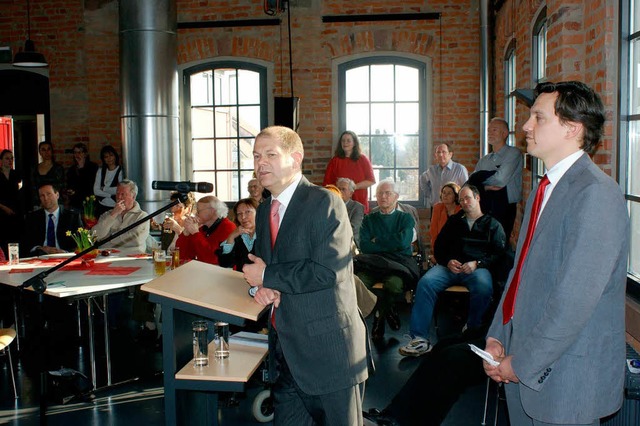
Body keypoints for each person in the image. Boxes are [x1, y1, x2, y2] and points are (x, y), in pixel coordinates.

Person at [484, 81, 630, 425]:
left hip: (565, 383)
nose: (525, 126)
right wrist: (497, 336)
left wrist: (519, 364)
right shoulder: (543, 189)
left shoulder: (597, 195)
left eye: (538, 117)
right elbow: (520, 277)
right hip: (523, 368)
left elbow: (573, 303)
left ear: (572, 128)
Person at [243, 126, 368, 425]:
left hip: (329, 351)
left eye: (271, 155)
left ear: (295, 159)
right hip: (286, 352)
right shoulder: (264, 210)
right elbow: (266, 270)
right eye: (257, 155)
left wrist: (268, 276)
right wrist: (263, 288)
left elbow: (328, 270)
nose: (261, 163)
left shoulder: (324, 202)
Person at [400, 184, 506, 357]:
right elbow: (439, 247)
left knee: (484, 286)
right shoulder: (454, 222)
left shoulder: (493, 225)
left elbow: (499, 253)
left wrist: (477, 263)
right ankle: (419, 339)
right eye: (461, 199)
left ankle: (472, 328)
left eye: (468, 198)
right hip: (449, 268)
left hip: (476, 269)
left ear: (477, 198)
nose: (464, 202)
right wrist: (447, 261)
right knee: (426, 282)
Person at [356, 179, 419, 339]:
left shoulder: (405, 218)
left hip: (398, 264)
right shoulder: (369, 219)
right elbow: (364, 246)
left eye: (387, 193)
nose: (383, 197)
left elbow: (404, 242)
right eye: (379, 193)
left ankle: (378, 317)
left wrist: (378, 240)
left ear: (396, 196)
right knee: (359, 282)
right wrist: (392, 241)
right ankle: (386, 309)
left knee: (393, 284)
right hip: (373, 264)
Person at [472, 118, 523, 239]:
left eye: (494, 130)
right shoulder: (484, 159)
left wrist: (482, 181)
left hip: (505, 208)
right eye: (489, 130)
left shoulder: (513, 153)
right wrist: (486, 186)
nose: (490, 133)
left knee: (500, 242)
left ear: (504, 133)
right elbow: (472, 182)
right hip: (484, 205)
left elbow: (500, 180)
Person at [22, 184, 83, 257]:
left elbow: (81, 242)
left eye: (49, 194)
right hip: (40, 257)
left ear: (57, 195)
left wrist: (65, 252)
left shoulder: (73, 217)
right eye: (42, 196)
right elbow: (25, 244)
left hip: (65, 257)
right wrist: (40, 248)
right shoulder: (32, 218)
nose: (46, 198)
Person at [323, 130, 375, 213]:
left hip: (360, 204)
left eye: (348, 140)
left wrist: (353, 187)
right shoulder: (335, 161)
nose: (345, 143)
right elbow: (327, 185)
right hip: (339, 205)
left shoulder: (363, 159)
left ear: (354, 143)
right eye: (343, 141)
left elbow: (371, 181)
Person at [175, 195, 236, 265]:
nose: (196, 214)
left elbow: (213, 260)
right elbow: (182, 255)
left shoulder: (228, 228)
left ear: (212, 211)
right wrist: (186, 233)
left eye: (198, 211)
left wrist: (195, 233)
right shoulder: (202, 228)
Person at [92, 180, 149, 252]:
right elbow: (95, 236)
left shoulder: (142, 216)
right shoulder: (107, 214)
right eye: (117, 193)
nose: (119, 197)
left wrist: (109, 237)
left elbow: (136, 239)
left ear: (133, 196)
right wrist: (113, 215)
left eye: (123, 194)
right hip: (105, 257)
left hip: (131, 258)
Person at [419, 143, 469, 209]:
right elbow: (422, 179)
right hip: (435, 208)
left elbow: (466, 188)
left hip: (454, 209)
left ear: (450, 154)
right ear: (435, 155)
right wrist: (429, 195)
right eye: (438, 152)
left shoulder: (460, 169)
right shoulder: (431, 170)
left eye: (444, 152)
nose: (440, 154)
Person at [216, 197, 258, 271]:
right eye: (239, 214)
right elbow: (225, 264)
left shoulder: (267, 235)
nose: (243, 217)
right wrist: (231, 237)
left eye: (248, 212)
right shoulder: (238, 237)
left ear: (258, 212)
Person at [428, 182, 461, 265]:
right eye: (443, 192)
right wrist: (435, 252)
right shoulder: (437, 207)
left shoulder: (461, 209)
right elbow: (433, 231)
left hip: (458, 248)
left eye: (449, 193)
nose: (445, 195)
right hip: (442, 247)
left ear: (456, 196)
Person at [0, 149, 23, 255]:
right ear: (1, 160)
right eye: (7, 158)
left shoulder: (16, 174)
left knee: (16, 239)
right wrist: (4, 208)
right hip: (2, 212)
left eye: (11, 158)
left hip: (16, 212)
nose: (10, 161)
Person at [31, 141, 65, 211]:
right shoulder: (34, 169)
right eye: (43, 150)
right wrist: (40, 201)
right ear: (40, 152)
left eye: (49, 149)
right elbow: (33, 187)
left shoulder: (58, 168)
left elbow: (61, 187)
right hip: (39, 204)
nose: (47, 152)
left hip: (55, 204)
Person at [65, 143, 99, 210]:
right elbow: (69, 185)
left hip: (89, 202)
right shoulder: (72, 170)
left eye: (80, 152)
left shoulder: (93, 167)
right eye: (75, 152)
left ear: (85, 154)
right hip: (75, 203)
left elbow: (92, 185)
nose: (77, 155)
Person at [93, 145, 124, 216]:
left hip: (115, 207)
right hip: (101, 206)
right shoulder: (100, 171)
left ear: (115, 156)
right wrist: (110, 195)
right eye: (106, 157)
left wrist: (104, 188)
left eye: (111, 155)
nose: (109, 158)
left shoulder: (120, 171)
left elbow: (119, 190)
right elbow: (96, 191)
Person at [336, 177, 365, 248]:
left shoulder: (357, 207)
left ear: (351, 193)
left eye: (343, 189)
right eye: (338, 189)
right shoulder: (331, 206)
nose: (340, 191)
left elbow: (353, 228)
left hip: (350, 243)